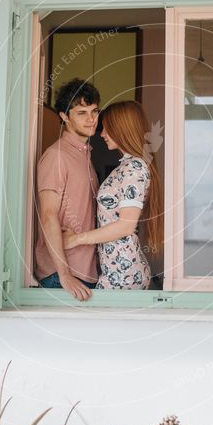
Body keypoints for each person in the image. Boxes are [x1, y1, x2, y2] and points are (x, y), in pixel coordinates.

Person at [63, 101, 163, 290]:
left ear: (122, 129)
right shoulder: (127, 166)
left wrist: (76, 239)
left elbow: (125, 226)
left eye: (107, 129)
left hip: (123, 275)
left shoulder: (134, 168)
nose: (102, 135)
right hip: (116, 271)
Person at [34, 78, 100, 301]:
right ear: (64, 116)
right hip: (62, 275)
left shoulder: (85, 156)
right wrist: (64, 275)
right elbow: (47, 215)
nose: (91, 119)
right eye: (82, 112)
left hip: (85, 270)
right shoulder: (57, 156)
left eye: (94, 111)